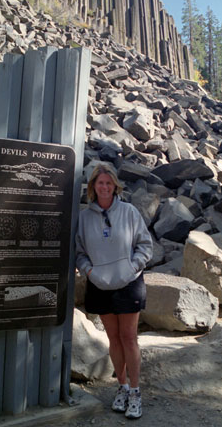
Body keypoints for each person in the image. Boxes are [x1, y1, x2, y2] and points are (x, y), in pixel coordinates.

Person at [75, 162, 153, 419]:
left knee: (129, 338)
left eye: (109, 183)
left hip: (129, 284)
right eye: (100, 183)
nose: (105, 187)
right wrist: (89, 272)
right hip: (99, 284)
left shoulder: (129, 212)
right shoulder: (84, 217)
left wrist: (132, 268)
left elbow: (145, 245)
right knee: (114, 339)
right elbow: (80, 252)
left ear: (115, 186)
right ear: (93, 187)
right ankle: (121, 386)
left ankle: (135, 391)